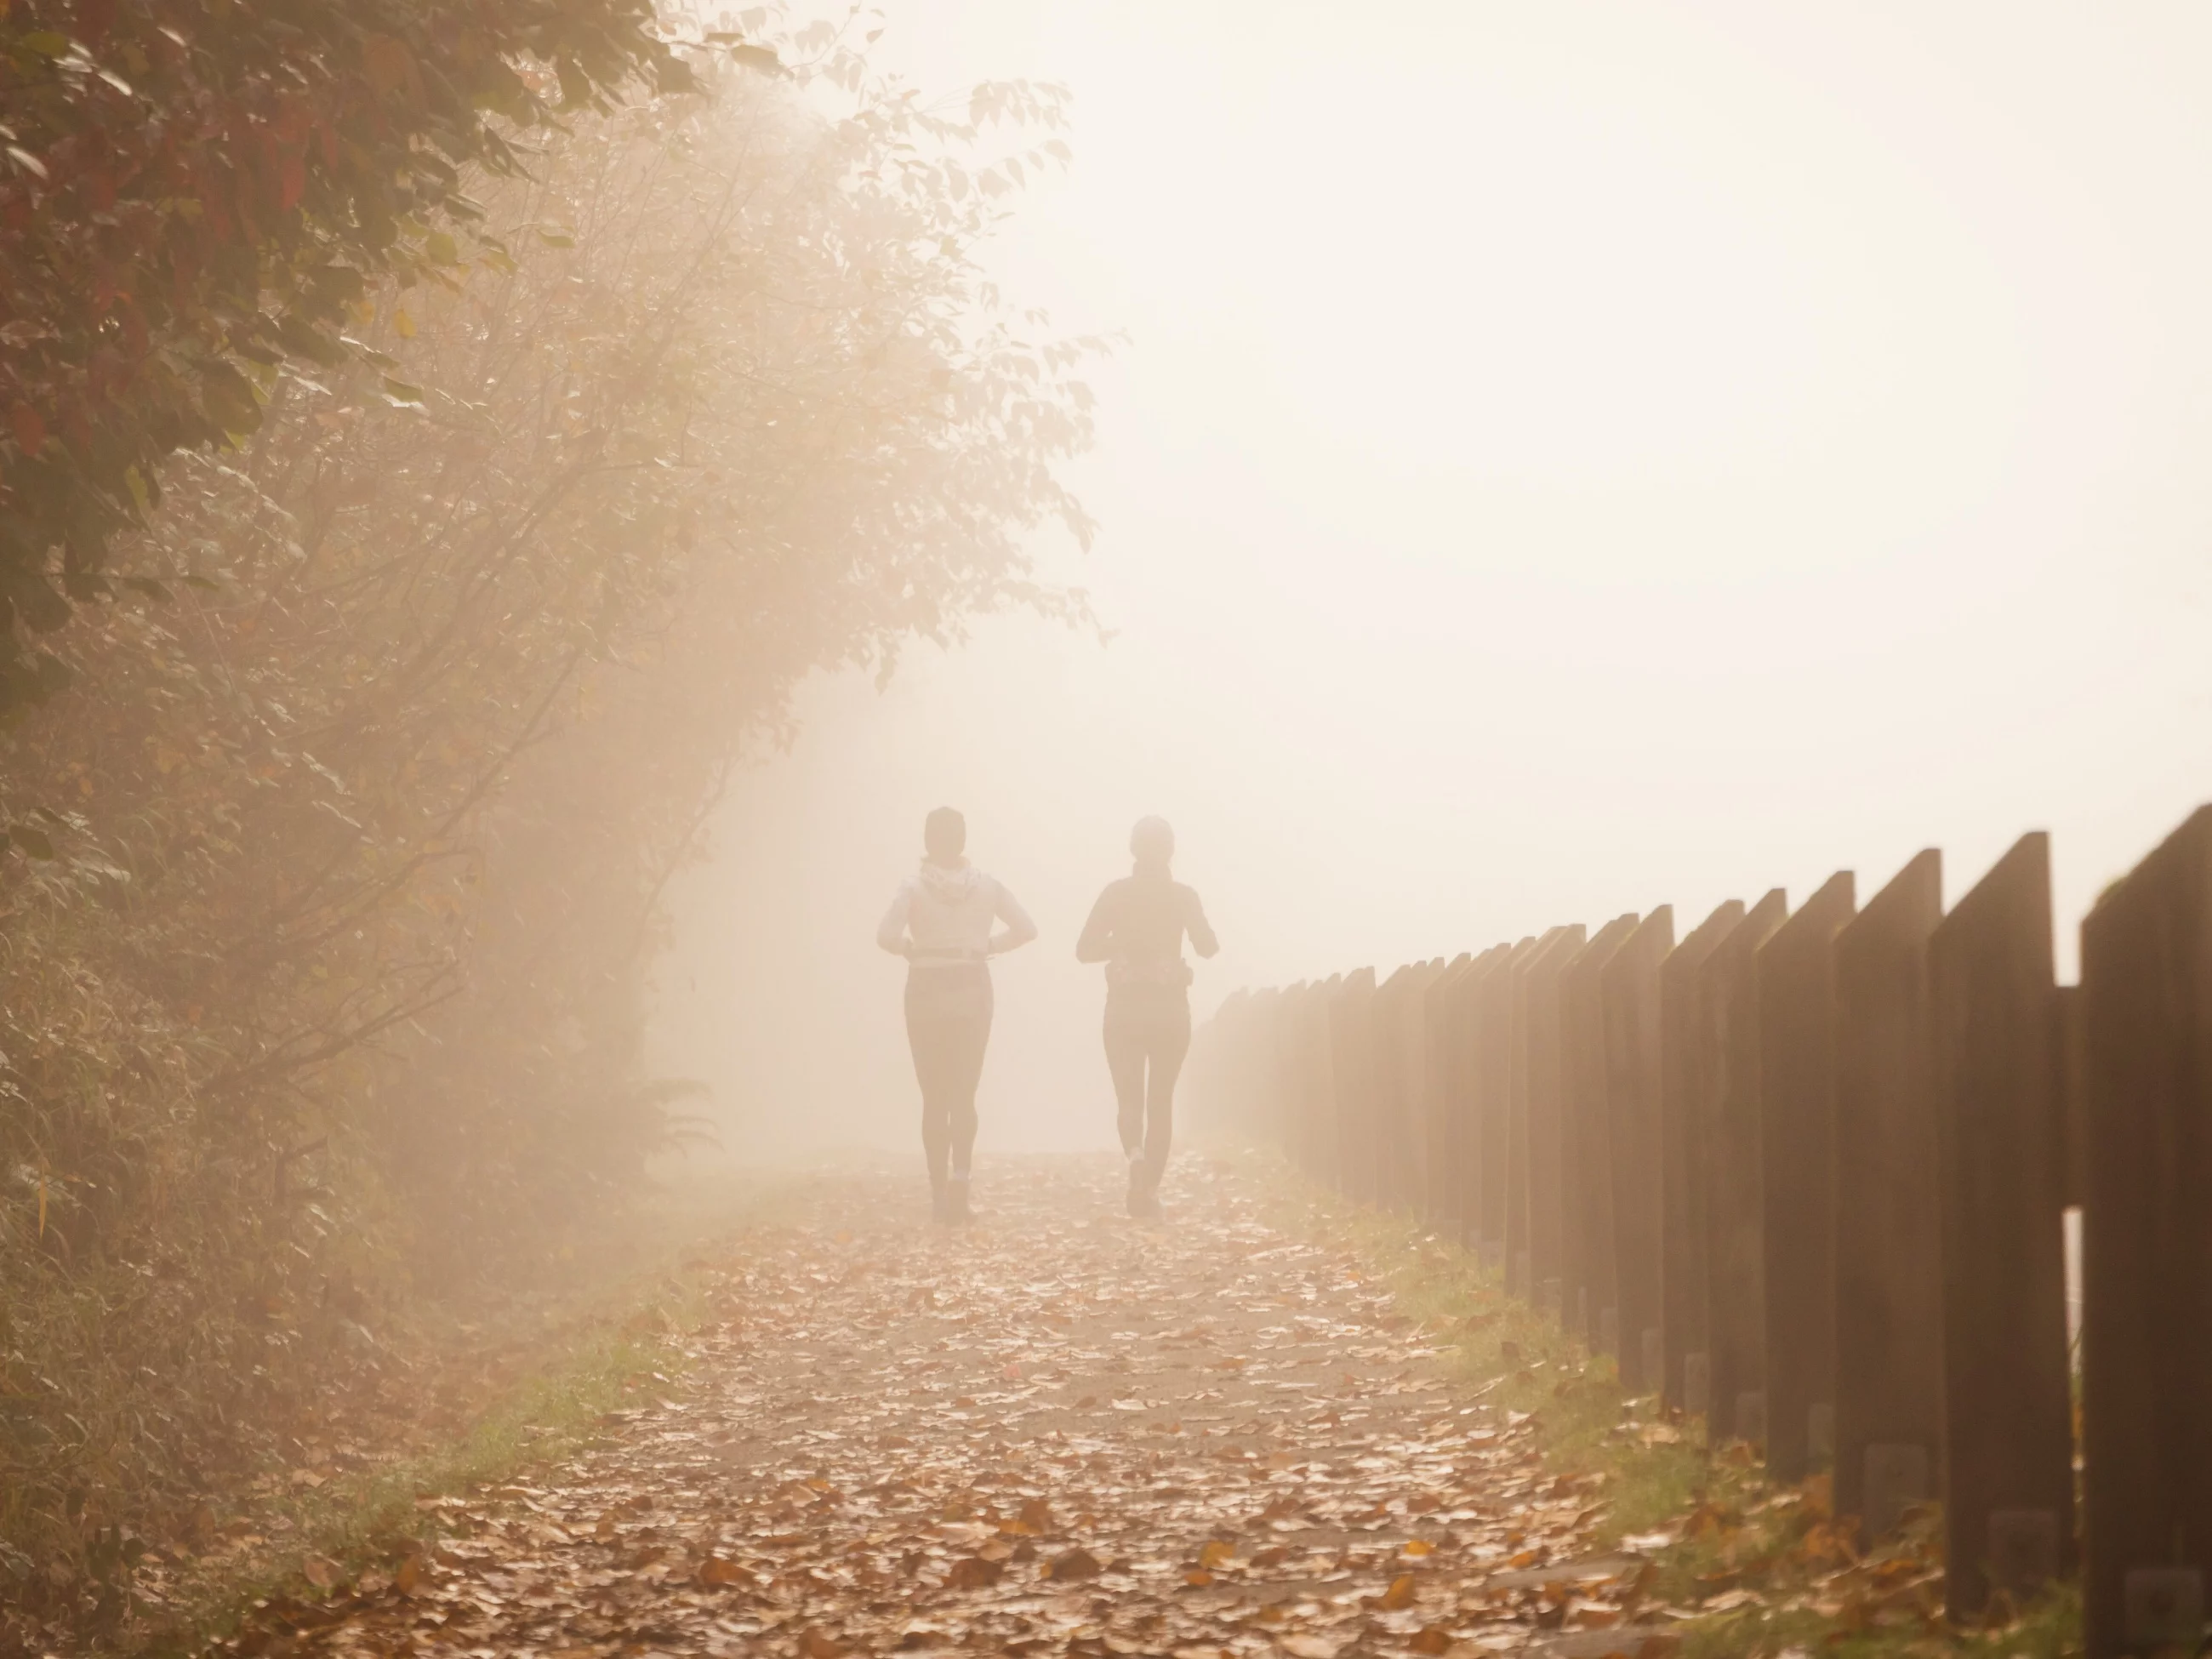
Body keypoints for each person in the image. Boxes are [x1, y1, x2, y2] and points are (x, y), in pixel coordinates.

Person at [877, 807, 1037, 1223]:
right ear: (963, 841)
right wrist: (988, 946)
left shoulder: (912, 887)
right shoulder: (988, 886)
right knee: (965, 1094)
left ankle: (937, 1193)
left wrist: (909, 949)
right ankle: (961, 1184)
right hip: (971, 991)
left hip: (926, 993)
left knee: (934, 1096)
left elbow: (886, 936)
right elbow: (1026, 928)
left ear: (928, 842)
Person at [1075, 816, 1219, 1218]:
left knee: (1129, 1098)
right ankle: (1149, 1191)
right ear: (1171, 851)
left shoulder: (1115, 895)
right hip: (1170, 1010)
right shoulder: (1183, 896)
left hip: (1123, 1010)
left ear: (1133, 850)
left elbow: (1084, 949)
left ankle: (1135, 1158)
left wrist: (1118, 942)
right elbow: (1208, 947)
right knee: (1160, 1101)